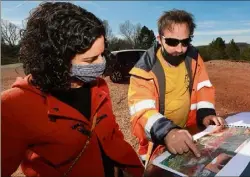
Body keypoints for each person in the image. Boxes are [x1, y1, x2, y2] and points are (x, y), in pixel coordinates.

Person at [1, 2, 144, 177]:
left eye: (102, 54)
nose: (102, 64)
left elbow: (112, 135)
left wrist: (136, 170)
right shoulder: (12, 106)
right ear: (56, 61)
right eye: (90, 60)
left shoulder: (99, 86)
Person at [127, 9, 225, 164]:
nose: (179, 49)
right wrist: (168, 132)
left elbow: (203, 88)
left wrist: (206, 114)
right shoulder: (144, 70)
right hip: (157, 144)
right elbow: (142, 112)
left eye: (185, 42)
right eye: (172, 42)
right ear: (159, 39)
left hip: (190, 133)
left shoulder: (194, 58)